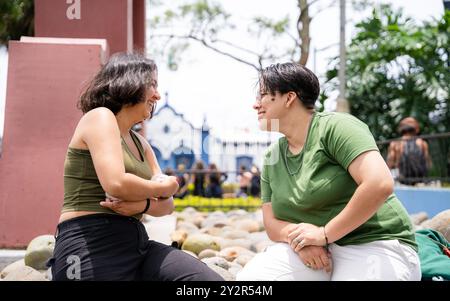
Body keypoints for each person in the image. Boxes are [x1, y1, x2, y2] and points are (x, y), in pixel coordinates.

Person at [236, 62, 421, 281]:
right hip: (314, 248)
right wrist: (302, 240)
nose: (255, 105)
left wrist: (324, 234)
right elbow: (272, 223)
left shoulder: (336, 127)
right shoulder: (271, 157)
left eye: (264, 95)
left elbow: (379, 183)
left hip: (374, 243)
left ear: (289, 98)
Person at [47, 53, 223, 281]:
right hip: (88, 242)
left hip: (136, 244)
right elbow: (116, 183)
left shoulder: (141, 143)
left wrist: (144, 203)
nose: (157, 95)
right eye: (152, 85)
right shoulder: (99, 117)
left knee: (206, 282)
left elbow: (167, 207)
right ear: (131, 82)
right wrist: (165, 188)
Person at [386, 117, 431, 185]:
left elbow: (390, 163)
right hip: (420, 179)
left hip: (402, 180)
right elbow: (427, 163)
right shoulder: (422, 143)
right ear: (416, 129)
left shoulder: (396, 144)